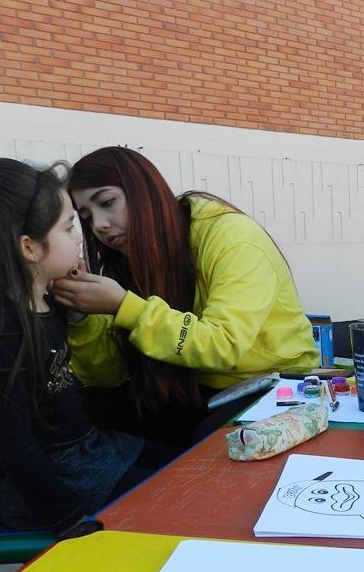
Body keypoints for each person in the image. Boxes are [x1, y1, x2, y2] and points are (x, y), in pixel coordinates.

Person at [0, 159, 176, 535]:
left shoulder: (49, 302)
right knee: (181, 498)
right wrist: (68, 520)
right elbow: (11, 444)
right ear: (29, 247)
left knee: (191, 464)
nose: (80, 237)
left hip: (86, 450)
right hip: (46, 481)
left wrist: (77, 317)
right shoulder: (2, 331)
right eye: (70, 226)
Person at [51, 147, 319, 444]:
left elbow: (223, 345)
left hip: (271, 384)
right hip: (190, 386)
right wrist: (81, 319)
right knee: (96, 415)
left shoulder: (232, 237)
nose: (99, 224)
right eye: (86, 217)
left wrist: (125, 307)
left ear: (143, 192)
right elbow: (106, 377)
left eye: (108, 202)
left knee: (213, 445)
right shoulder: (124, 259)